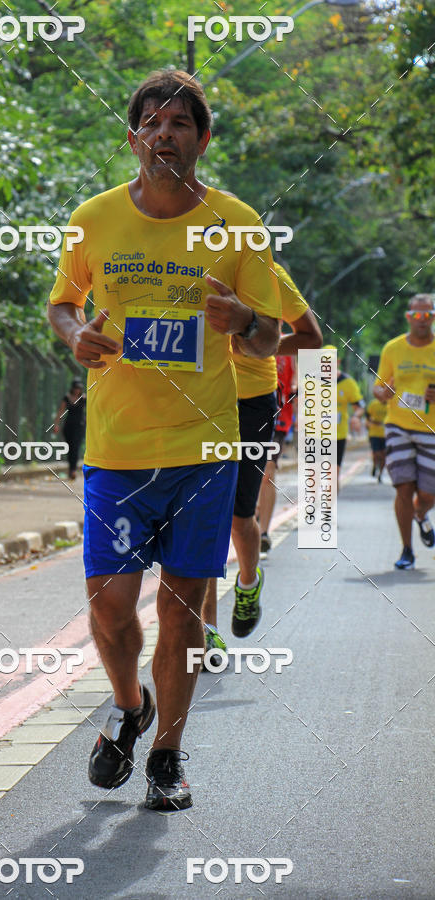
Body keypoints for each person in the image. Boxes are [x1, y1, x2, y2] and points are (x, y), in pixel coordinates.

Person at [47, 70, 281, 811]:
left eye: (181, 123)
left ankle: (167, 758)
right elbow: (61, 304)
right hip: (117, 451)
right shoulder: (93, 218)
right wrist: (75, 334)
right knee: (111, 606)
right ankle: (129, 703)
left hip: (203, 452)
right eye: (152, 121)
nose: (166, 133)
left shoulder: (238, 224)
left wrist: (243, 321)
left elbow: (271, 336)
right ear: (134, 136)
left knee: (181, 612)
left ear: (202, 140)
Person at [201, 262, 321, 662]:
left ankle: (248, 583)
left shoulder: (269, 273)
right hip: (194, 401)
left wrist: (260, 340)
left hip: (250, 402)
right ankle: (206, 629)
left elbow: (311, 338)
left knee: (238, 516)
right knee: (199, 516)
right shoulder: (179, 263)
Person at [373, 293, 435, 570]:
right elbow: (378, 388)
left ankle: (420, 514)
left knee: (428, 494)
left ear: (433, 317)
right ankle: (407, 550)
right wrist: (383, 392)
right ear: (408, 317)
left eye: (427, 315)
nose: (421, 320)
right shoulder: (393, 349)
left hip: (431, 429)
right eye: (416, 315)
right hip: (397, 425)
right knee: (403, 486)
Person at [257, 351, 296, 554]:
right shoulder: (242, 334)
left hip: (278, 419)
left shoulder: (288, 347)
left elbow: (298, 381)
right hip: (246, 414)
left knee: (268, 471)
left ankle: (263, 533)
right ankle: (253, 509)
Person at [324, 346, 364, 491]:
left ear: (337, 362)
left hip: (337, 435)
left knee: (333, 474)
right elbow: (299, 401)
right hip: (313, 434)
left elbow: (359, 406)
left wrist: (356, 417)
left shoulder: (348, 383)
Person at [53, 379, 86, 479]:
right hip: (68, 426)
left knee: (75, 447)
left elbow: (91, 411)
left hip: (80, 426)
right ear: (72, 388)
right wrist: (56, 424)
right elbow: (60, 410)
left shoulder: (84, 398)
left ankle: (73, 470)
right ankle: (71, 468)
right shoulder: (67, 397)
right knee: (70, 448)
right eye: (76, 388)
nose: (77, 390)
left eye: (79, 388)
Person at [365, 396, 387, 481]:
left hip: (386, 435)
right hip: (374, 433)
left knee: (384, 456)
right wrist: (371, 422)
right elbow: (367, 415)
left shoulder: (391, 405)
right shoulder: (374, 404)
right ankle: (375, 465)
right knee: (376, 454)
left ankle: (380, 474)